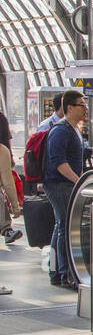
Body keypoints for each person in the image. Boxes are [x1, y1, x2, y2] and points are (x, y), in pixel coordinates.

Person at [44, 89, 87, 289]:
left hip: (65, 184)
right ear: (69, 107)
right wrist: (78, 180)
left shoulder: (72, 129)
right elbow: (58, 162)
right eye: (81, 104)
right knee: (65, 227)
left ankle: (57, 271)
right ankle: (64, 273)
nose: (85, 108)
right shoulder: (61, 130)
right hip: (59, 184)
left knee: (61, 226)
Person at [0, 105, 21, 246]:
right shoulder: (2, 151)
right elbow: (8, 182)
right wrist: (15, 207)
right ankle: (7, 229)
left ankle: (7, 230)